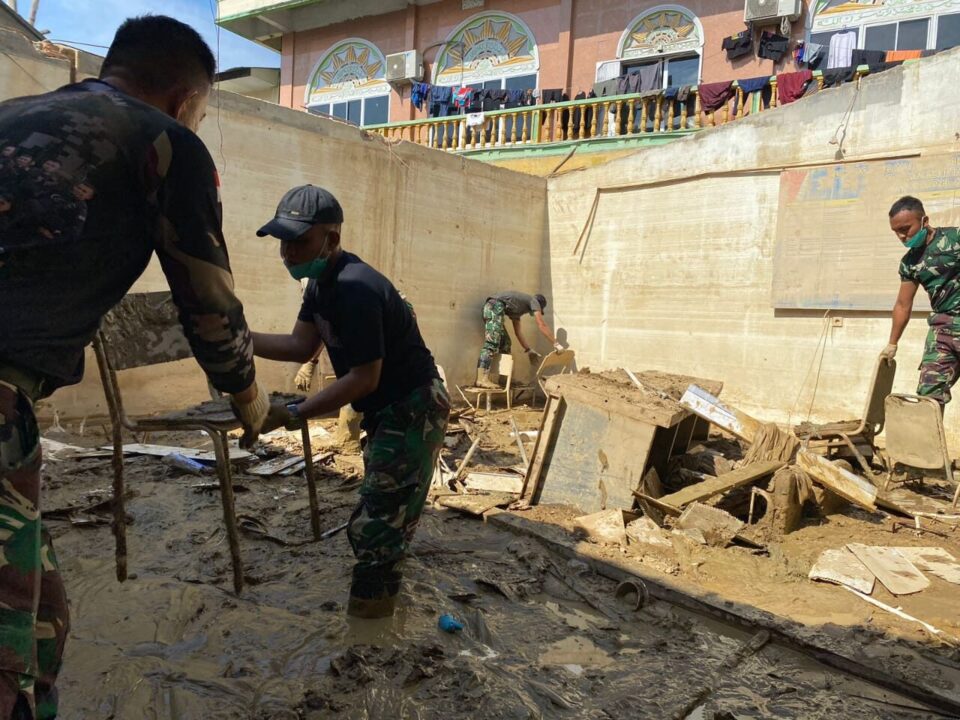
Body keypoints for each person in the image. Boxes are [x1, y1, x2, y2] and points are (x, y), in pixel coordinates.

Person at [0, 16, 271, 718]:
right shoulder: (165, 142)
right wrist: (252, 405)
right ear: (186, 99)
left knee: (41, 620)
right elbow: (209, 307)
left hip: (12, 408)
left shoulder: (13, 116)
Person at [251, 185, 449, 619]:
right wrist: (241, 340)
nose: (287, 253)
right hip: (387, 408)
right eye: (284, 242)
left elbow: (364, 377)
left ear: (332, 239)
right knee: (383, 509)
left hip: (412, 406)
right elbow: (301, 345)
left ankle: (370, 634)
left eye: (299, 241)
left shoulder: (356, 288)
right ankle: (378, 609)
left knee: (380, 525)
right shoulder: (319, 285)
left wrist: (296, 413)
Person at [882, 195, 960, 410]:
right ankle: (928, 444)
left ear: (924, 221)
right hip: (942, 329)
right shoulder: (909, 263)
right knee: (929, 397)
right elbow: (902, 304)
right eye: (896, 232)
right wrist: (892, 343)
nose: (902, 236)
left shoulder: (955, 239)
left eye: (906, 229)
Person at [476, 290, 562, 388]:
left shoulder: (517, 309)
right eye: (538, 310)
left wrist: (528, 350)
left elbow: (518, 332)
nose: (535, 312)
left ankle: (504, 379)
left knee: (506, 343)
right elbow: (541, 325)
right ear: (539, 306)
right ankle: (481, 378)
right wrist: (556, 344)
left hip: (494, 308)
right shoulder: (534, 301)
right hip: (494, 307)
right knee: (492, 342)